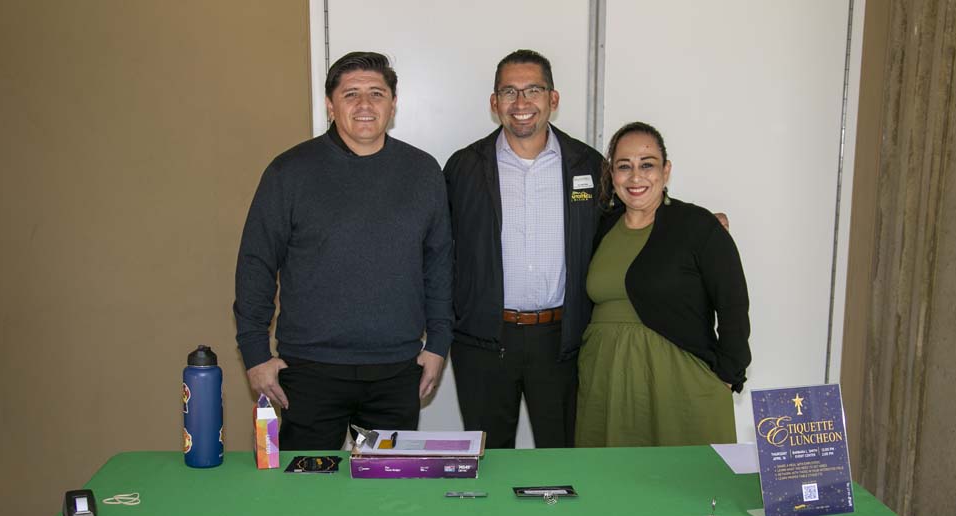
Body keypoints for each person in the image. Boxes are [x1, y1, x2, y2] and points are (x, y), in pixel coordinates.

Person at [233, 52, 453, 450]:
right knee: (308, 495)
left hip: (395, 371)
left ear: (393, 103)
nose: (365, 105)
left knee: (386, 499)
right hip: (311, 371)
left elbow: (439, 265)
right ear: (330, 105)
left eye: (377, 93)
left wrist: (438, 343)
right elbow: (256, 263)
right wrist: (254, 352)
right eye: (351, 94)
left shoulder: (423, 172)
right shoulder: (290, 172)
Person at [444, 49, 605, 449]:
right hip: (484, 341)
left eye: (533, 89)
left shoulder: (587, 165)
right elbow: (438, 251)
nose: (521, 103)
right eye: (509, 91)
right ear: (494, 102)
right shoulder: (463, 167)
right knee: (490, 461)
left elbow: (632, 217)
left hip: (562, 341)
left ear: (553, 98)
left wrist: (690, 218)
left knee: (564, 458)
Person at [575, 122, 750, 447]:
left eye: (647, 165)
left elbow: (733, 305)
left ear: (666, 171)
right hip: (607, 383)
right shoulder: (600, 227)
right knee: (613, 485)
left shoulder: (698, 226)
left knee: (682, 487)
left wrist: (728, 374)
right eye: (623, 166)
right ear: (612, 175)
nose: (635, 177)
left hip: (676, 385)